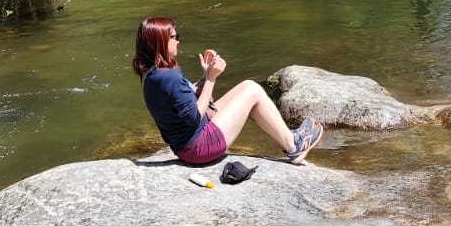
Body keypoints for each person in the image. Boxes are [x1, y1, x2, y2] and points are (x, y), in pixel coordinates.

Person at [132, 17, 323, 167]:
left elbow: (187, 97)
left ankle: (290, 138)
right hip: (199, 147)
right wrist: (211, 79)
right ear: (160, 42)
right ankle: (293, 145)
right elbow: (193, 117)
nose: (179, 41)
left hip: (187, 145)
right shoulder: (168, 77)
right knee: (253, 91)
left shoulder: (153, 74)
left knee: (247, 85)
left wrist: (206, 74)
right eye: (174, 37)